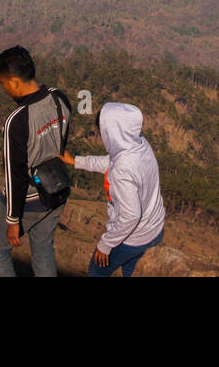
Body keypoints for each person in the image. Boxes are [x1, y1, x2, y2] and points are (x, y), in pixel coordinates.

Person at [0, 45, 72, 277]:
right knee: (43, 249)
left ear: (14, 82)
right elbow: (60, 144)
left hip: (29, 199)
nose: (4, 89)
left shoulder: (17, 120)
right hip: (57, 189)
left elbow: (15, 175)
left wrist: (13, 219)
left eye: (3, 83)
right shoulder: (59, 98)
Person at [62, 102, 166, 277]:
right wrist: (75, 161)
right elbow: (110, 162)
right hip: (155, 228)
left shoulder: (122, 169)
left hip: (134, 238)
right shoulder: (140, 145)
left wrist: (105, 244)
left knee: (96, 270)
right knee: (131, 272)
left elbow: (131, 216)